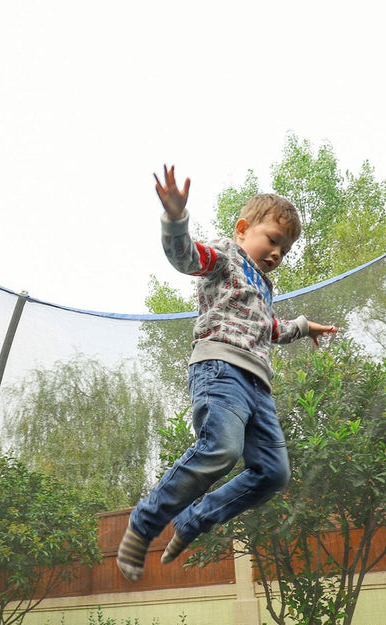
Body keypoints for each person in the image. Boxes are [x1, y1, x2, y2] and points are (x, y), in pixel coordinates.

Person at [117, 164, 338, 582]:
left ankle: (192, 522)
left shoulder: (265, 286)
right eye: (272, 240)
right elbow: (184, 257)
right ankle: (144, 525)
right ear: (243, 229)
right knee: (221, 449)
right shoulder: (225, 256)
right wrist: (175, 218)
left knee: (273, 474)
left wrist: (306, 326)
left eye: (284, 250)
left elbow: (271, 329)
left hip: (258, 386)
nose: (276, 254)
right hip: (220, 368)